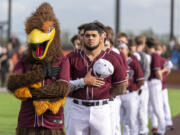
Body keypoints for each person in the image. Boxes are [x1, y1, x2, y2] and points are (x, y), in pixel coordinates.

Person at [7, 3, 70, 135]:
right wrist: (41, 74)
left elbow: (62, 89)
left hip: (52, 121)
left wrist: (30, 93)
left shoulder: (61, 60)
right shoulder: (25, 59)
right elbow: (12, 83)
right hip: (27, 120)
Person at [66, 22, 127, 135]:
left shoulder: (112, 57)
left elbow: (121, 87)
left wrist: (105, 92)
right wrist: (83, 82)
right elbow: (61, 86)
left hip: (102, 109)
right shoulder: (71, 57)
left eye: (94, 35)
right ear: (82, 37)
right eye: (87, 35)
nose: (90, 38)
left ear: (101, 37)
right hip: (77, 108)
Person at [118, 42, 144, 135]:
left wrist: (136, 91)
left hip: (130, 94)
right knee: (118, 121)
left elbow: (141, 79)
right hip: (118, 95)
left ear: (128, 51)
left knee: (132, 121)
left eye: (122, 48)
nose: (120, 50)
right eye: (119, 48)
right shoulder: (116, 61)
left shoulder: (133, 61)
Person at [151, 44, 174, 133]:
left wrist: (165, 70)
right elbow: (167, 71)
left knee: (158, 106)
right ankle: (162, 124)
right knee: (160, 105)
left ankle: (160, 124)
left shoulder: (161, 59)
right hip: (159, 85)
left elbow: (168, 71)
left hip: (159, 86)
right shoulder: (161, 59)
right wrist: (165, 70)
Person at [146, 38, 166, 135]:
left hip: (154, 82)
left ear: (147, 45)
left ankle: (162, 130)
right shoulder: (151, 55)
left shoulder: (154, 55)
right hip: (151, 83)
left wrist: (159, 81)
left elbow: (158, 72)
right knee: (150, 107)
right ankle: (156, 127)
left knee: (157, 107)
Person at [135, 35, 150, 135]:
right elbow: (147, 72)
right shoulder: (143, 55)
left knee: (141, 110)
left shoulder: (142, 55)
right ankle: (142, 130)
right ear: (144, 44)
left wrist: (139, 84)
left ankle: (143, 131)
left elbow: (146, 72)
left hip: (140, 86)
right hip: (140, 85)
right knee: (141, 110)